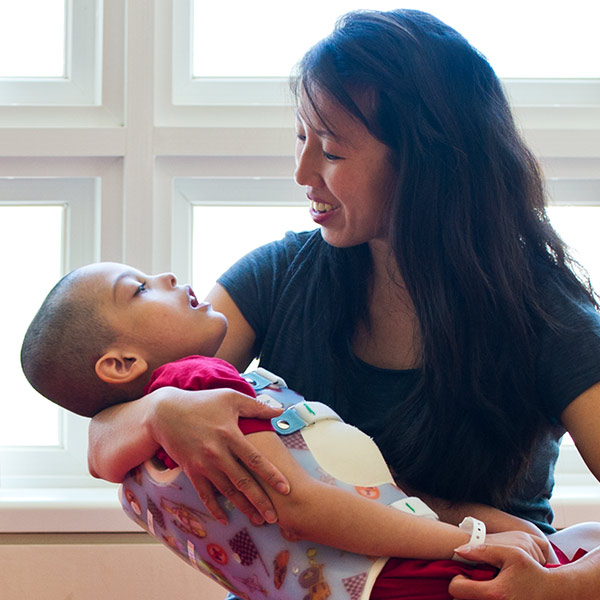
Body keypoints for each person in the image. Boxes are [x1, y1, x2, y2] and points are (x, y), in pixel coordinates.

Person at [86, 9, 600, 600]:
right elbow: (103, 441)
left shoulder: (547, 314)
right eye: (300, 138)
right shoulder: (276, 276)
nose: (302, 172)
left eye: (329, 150)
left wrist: (569, 586)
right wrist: (159, 412)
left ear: (427, 163)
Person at [20, 261, 554, 600]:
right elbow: (297, 505)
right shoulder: (204, 386)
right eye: (137, 288)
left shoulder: (142, 467)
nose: (166, 278)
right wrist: (471, 542)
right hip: (395, 578)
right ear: (120, 363)